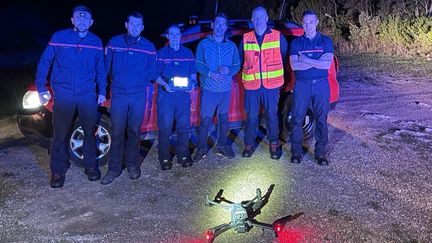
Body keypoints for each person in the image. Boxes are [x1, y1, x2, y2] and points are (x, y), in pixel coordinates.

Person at [35, 5, 106, 188]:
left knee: (89, 132)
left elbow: (101, 69)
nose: (82, 22)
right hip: (64, 94)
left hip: (87, 95)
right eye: (78, 18)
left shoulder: (96, 41)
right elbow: (45, 62)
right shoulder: (59, 38)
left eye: (86, 19)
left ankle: (91, 167)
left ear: (91, 22)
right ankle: (58, 171)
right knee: (60, 134)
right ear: (72, 20)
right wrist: (41, 87)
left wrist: (103, 91)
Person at [101, 12, 158, 185]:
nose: (134, 27)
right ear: (126, 25)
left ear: (142, 27)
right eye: (131, 24)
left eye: (138, 25)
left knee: (134, 132)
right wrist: (104, 89)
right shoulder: (114, 43)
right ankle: (113, 169)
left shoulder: (149, 47)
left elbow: (153, 71)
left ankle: (133, 165)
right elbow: (105, 68)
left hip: (138, 96)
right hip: (118, 95)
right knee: (117, 133)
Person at [239, 6, 288, 160]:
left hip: (271, 86)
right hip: (252, 86)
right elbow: (241, 60)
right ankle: (249, 144)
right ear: (252, 20)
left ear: (267, 18)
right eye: (255, 18)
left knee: (272, 116)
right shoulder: (245, 38)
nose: (259, 20)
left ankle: (274, 144)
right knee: (252, 116)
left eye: (261, 17)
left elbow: (284, 57)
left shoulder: (278, 36)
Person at [193, 13, 241, 162]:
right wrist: (210, 74)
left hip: (225, 91)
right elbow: (198, 63)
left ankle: (221, 146)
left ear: (226, 27)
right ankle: (201, 149)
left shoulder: (231, 46)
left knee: (223, 121)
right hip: (209, 90)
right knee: (205, 121)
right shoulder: (204, 44)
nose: (220, 27)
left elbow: (236, 65)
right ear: (212, 25)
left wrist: (229, 71)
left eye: (223, 24)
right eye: (217, 23)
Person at [289, 10, 334, 165]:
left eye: (311, 22)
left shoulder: (326, 41)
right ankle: (296, 152)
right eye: (305, 22)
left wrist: (306, 59)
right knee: (297, 119)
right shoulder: (296, 43)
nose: (308, 25)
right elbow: (295, 65)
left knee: (322, 119)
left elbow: (327, 64)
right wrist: (316, 62)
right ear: (302, 23)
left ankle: (320, 153)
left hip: (321, 84)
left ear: (316, 22)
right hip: (302, 86)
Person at [154, 25, 197, 170]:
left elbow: (192, 74)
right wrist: (165, 84)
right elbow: (155, 75)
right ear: (167, 36)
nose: (174, 37)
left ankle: (183, 155)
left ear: (180, 36)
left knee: (183, 127)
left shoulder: (188, 53)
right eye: (171, 35)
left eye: (176, 35)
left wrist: (192, 84)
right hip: (166, 95)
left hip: (183, 96)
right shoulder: (161, 54)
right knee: (165, 127)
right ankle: (164, 157)